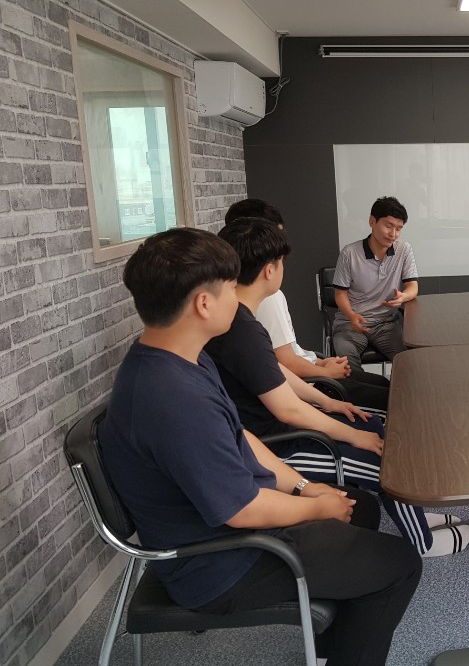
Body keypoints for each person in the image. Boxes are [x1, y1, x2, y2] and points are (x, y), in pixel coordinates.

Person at [98, 227, 421, 666]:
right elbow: (242, 510)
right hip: (220, 564)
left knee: (357, 507)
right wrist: (313, 508)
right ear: (204, 303)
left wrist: (306, 488)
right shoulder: (173, 398)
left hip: (232, 533)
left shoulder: (182, 358)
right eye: (231, 287)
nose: (238, 297)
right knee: (400, 565)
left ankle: (330, 649)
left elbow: (243, 438)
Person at [207, 217, 469, 558]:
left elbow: (275, 373)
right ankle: (423, 542)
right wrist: (353, 436)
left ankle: (415, 517)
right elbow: (288, 409)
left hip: (280, 430)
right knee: (384, 461)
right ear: (270, 270)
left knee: (374, 427)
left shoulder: (242, 320)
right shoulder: (241, 328)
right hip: (277, 447)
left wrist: (329, 403)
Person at [224, 198, 391, 412]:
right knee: (390, 395)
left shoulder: (245, 306)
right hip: (311, 385)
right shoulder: (264, 302)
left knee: (385, 385)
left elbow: (284, 358)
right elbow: (286, 366)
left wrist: (321, 363)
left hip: (311, 375)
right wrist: (325, 372)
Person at [332, 196, 418, 372]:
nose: (393, 234)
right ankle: (372, 389)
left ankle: (392, 391)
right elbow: (340, 294)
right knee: (347, 369)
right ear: (372, 221)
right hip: (350, 324)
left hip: (386, 324)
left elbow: (412, 287)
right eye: (388, 226)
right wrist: (351, 315)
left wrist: (403, 297)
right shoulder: (349, 253)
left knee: (410, 364)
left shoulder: (404, 250)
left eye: (399, 229)